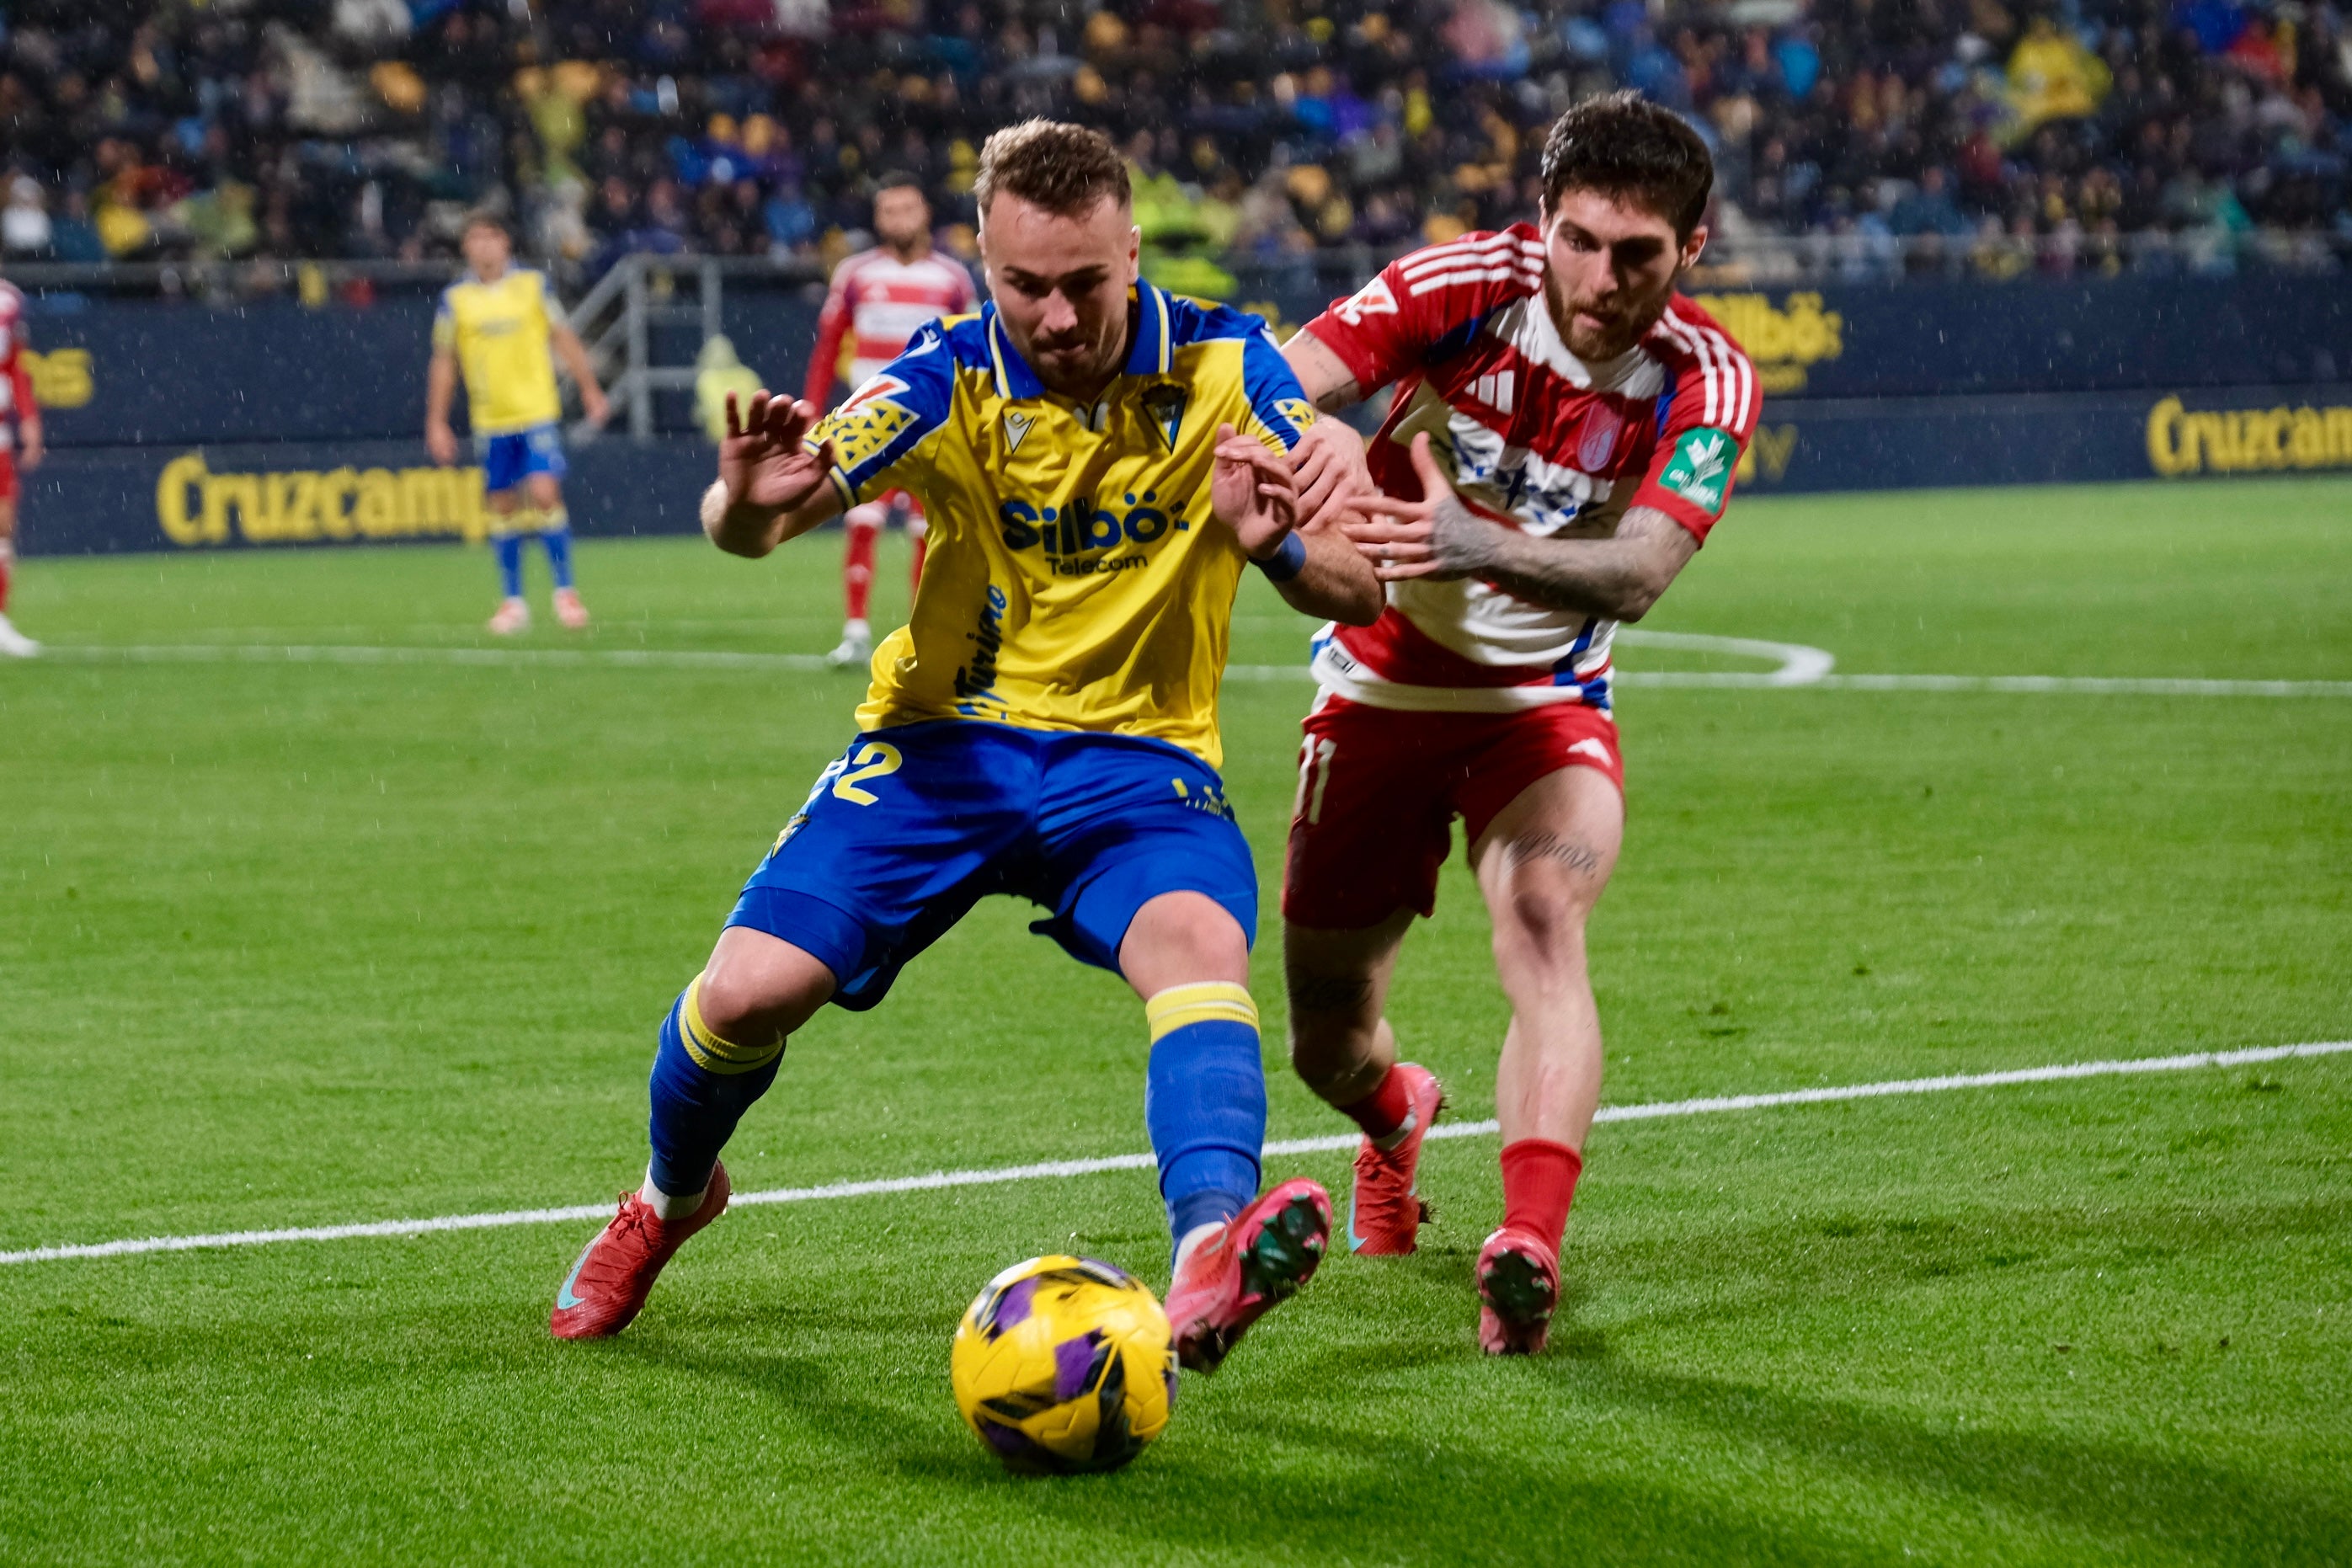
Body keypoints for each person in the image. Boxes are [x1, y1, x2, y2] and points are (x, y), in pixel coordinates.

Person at [548, 120, 1382, 1374]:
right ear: (983, 262)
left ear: (1132, 249)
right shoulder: (947, 374)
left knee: (1199, 952)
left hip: (1135, 760)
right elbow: (764, 521)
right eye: (1023, 284)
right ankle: (670, 1196)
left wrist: (1275, 545)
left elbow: (1363, 587)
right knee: (742, 995)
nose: (1053, 315)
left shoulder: (1233, 368)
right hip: (944, 747)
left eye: (1083, 284)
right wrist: (740, 500)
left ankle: (1210, 1250)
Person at [1275, 92, 1760, 1355]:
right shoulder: (1460, 284)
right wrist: (1312, 441)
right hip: (1378, 688)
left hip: (1543, 708)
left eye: (1639, 254)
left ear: (1691, 249)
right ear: (1542, 221)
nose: (1601, 279)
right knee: (1325, 1035)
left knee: (1544, 923)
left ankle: (1527, 1240)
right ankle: (1393, 1115)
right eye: (1581, 241)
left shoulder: (1705, 376)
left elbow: (1643, 573)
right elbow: (1284, 379)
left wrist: (1465, 538)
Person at [802, 174, 979, 668]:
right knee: (862, 521)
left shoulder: (952, 279)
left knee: (929, 532)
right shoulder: (855, 274)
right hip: (868, 424)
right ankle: (856, 632)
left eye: (906, 208)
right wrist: (810, 412)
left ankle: (925, 634)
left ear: (925, 214)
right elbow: (829, 345)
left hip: (934, 425)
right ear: (878, 219)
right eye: (888, 211)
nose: (898, 219)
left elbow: (970, 351)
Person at [425, 211, 611, 635]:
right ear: (466, 247)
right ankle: (513, 602)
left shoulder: (532, 287)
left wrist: (589, 388)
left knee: (545, 492)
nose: (485, 246)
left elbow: (561, 335)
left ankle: (566, 593)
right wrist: (437, 421)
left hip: (536, 412)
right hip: (491, 421)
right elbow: (444, 362)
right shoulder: (455, 301)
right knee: (503, 506)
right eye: (476, 238)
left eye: (492, 236)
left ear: (506, 244)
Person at [0, 269, 41, 658]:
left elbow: (15, 364)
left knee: (3, 528)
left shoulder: (9, 301)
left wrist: (29, 418)